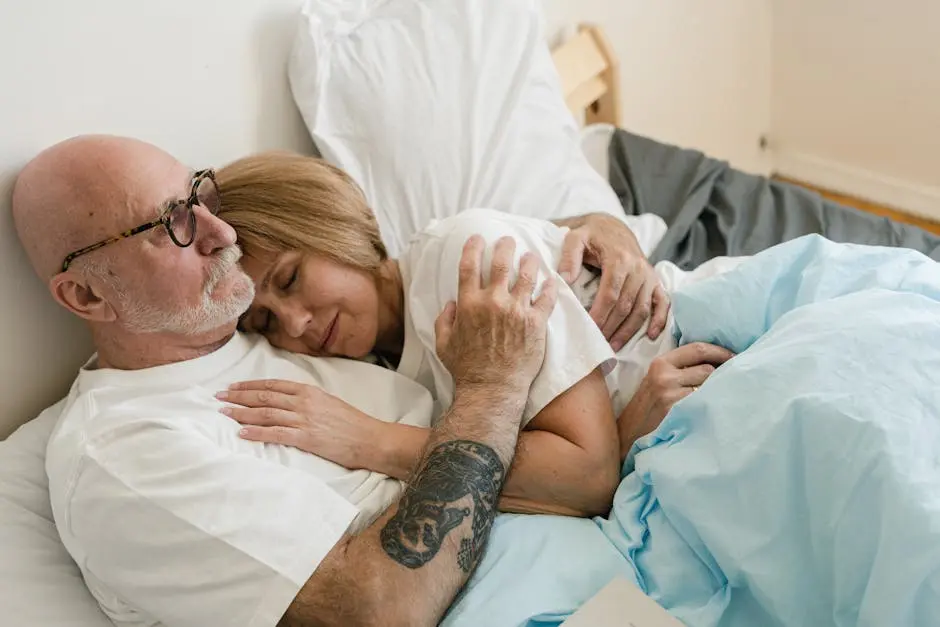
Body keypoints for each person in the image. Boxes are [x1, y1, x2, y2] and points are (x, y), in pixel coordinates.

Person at [10, 135, 675, 627]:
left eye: (197, 197)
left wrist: (599, 228)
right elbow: (378, 608)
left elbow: (446, 272)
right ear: (88, 297)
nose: (218, 234)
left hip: (616, 542)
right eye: (171, 224)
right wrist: (491, 391)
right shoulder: (128, 451)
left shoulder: (247, 327)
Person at [214, 151, 737, 495]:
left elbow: (588, 473)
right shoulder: (380, 367)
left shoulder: (462, 265)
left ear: (334, 226)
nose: (297, 324)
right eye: (265, 321)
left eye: (290, 279)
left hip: (712, 346)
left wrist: (370, 441)